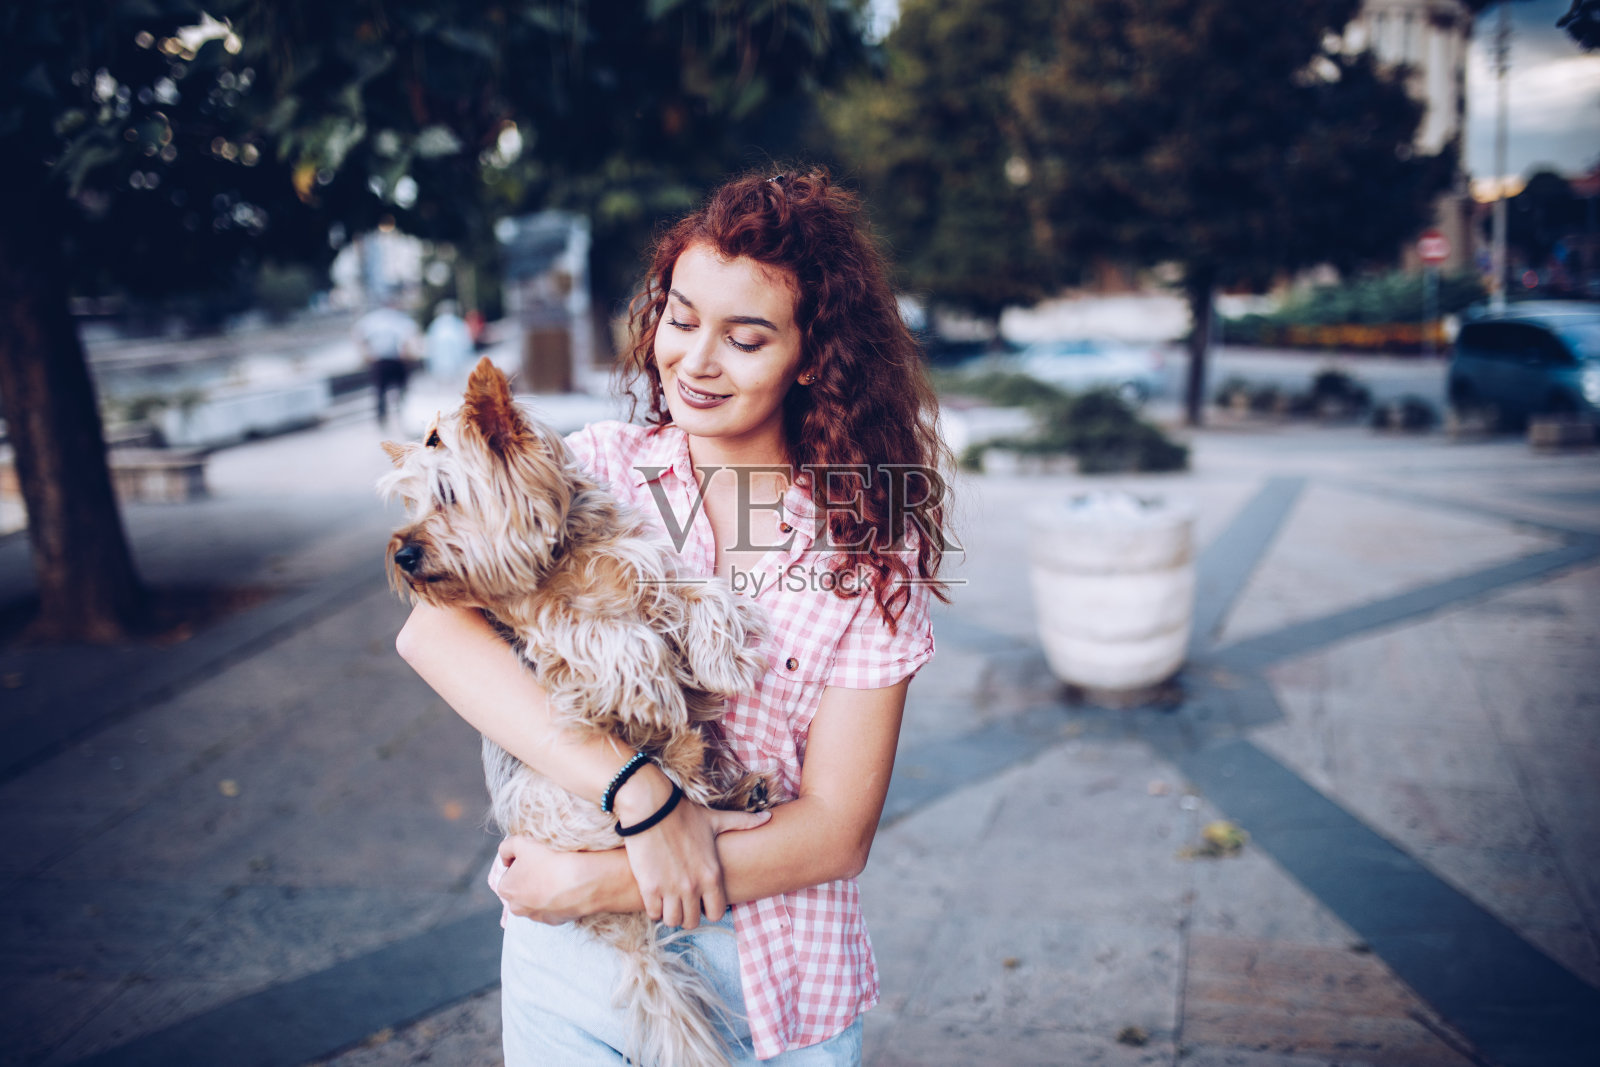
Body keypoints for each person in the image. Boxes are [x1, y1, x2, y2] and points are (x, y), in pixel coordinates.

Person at [396, 169, 950, 1065]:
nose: (694, 359)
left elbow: (836, 833)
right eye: (681, 318)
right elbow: (433, 631)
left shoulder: (866, 554)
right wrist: (642, 794)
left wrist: (595, 879)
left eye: (745, 338)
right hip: (577, 973)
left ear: (811, 356)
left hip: (775, 980)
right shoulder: (594, 469)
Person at [353, 292, 420, 426]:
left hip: (379, 361)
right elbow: (408, 338)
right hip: (396, 360)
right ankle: (402, 414)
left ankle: (382, 418)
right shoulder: (400, 319)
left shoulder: (371, 319)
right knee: (401, 389)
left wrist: (367, 354)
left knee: (380, 392)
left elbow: (358, 334)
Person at [423, 299, 473, 381]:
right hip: (457, 366)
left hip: (440, 369)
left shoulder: (435, 325)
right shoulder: (458, 323)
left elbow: (430, 345)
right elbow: (466, 343)